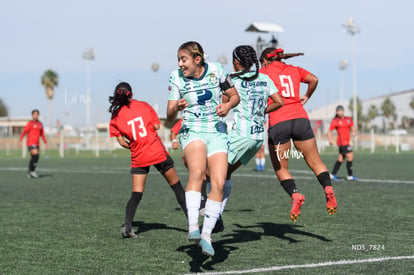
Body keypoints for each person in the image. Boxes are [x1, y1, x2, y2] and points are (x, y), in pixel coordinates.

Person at [167, 41, 239, 257]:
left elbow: (234, 96)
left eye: (183, 59)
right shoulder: (175, 77)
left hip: (217, 131)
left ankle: (207, 235)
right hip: (192, 129)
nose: (180, 64)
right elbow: (169, 119)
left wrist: (226, 106)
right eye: (178, 60)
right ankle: (193, 227)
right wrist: (175, 109)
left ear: (197, 60)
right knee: (197, 172)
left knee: (218, 182)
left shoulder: (216, 70)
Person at [209, 45, 284, 232]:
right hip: (258, 136)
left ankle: (214, 214)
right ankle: (216, 215)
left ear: (235, 62)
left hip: (241, 135)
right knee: (225, 173)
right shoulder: (265, 79)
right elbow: (279, 102)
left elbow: (224, 103)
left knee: (209, 172)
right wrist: (260, 111)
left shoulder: (234, 80)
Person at [260, 47, 337, 222]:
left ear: (265, 60)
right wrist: (307, 96)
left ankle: (295, 195)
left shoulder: (263, 71)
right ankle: (327, 188)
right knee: (316, 162)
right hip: (300, 118)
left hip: (279, 121)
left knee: (282, 169)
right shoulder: (293, 69)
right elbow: (314, 79)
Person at [108, 82, 187, 238]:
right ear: (131, 93)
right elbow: (157, 127)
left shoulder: (116, 115)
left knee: (136, 194)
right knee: (176, 187)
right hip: (156, 151)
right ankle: (192, 225)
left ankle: (127, 226)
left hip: (139, 156)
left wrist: (134, 145)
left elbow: (122, 142)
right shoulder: (143, 105)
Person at [328, 105, 358, 181]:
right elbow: (330, 131)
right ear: (337, 112)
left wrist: (354, 132)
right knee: (350, 156)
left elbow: (352, 127)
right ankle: (350, 176)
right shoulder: (335, 121)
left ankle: (332, 174)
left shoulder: (348, 119)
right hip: (342, 143)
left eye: (341, 111)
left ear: (343, 111)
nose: (340, 112)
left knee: (341, 159)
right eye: (338, 111)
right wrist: (330, 139)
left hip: (347, 142)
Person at [19, 109, 48, 178]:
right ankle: (32, 171)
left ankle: (29, 172)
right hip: (30, 143)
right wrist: (20, 140)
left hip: (37, 143)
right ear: (32, 115)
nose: (36, 115)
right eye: (34, 114)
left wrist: (45, 142)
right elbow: (24, 132)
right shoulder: (30, 123)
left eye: (37, 114)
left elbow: (42, 134)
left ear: (38, 115)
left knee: (33, 158)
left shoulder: (40, 124)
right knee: (36, 155)